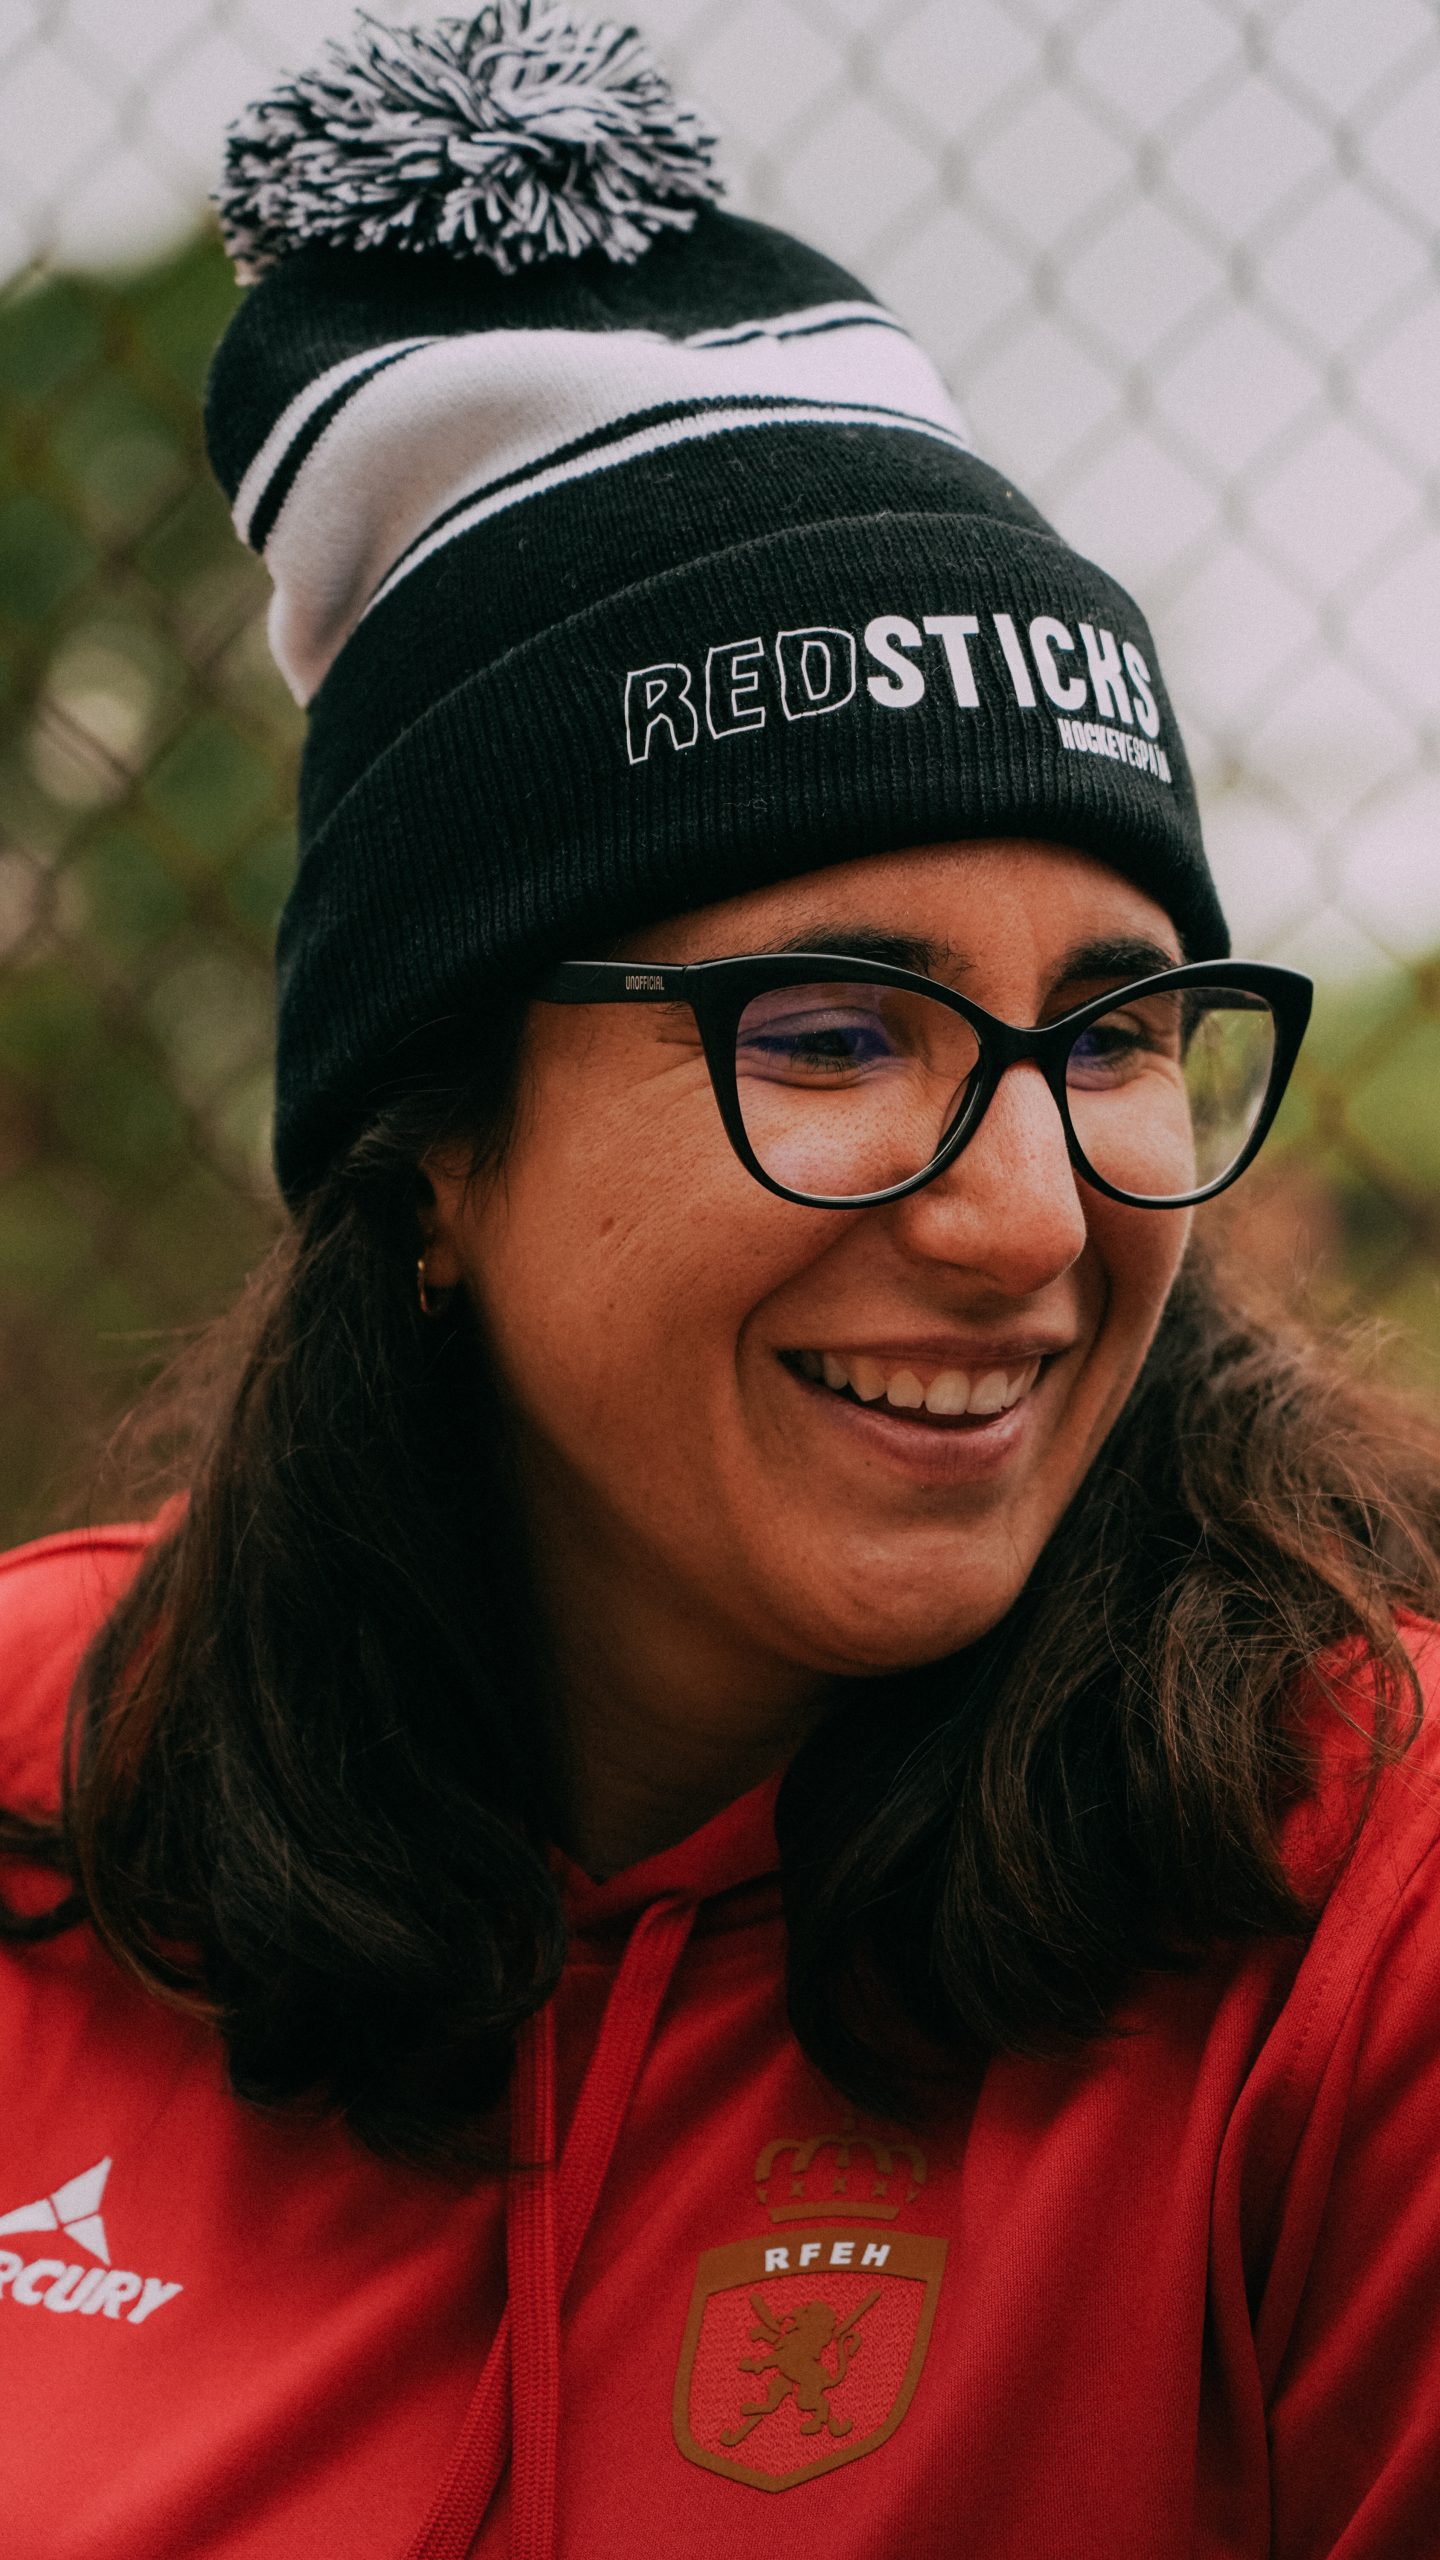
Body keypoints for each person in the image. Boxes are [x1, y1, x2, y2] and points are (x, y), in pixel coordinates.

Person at [2, 7, 1439, 2556]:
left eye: (1117, 1027)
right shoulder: (45, 1813)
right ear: (430, 1144)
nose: (1028, 1222)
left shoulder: (1361, 1913)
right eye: (829, 1029)